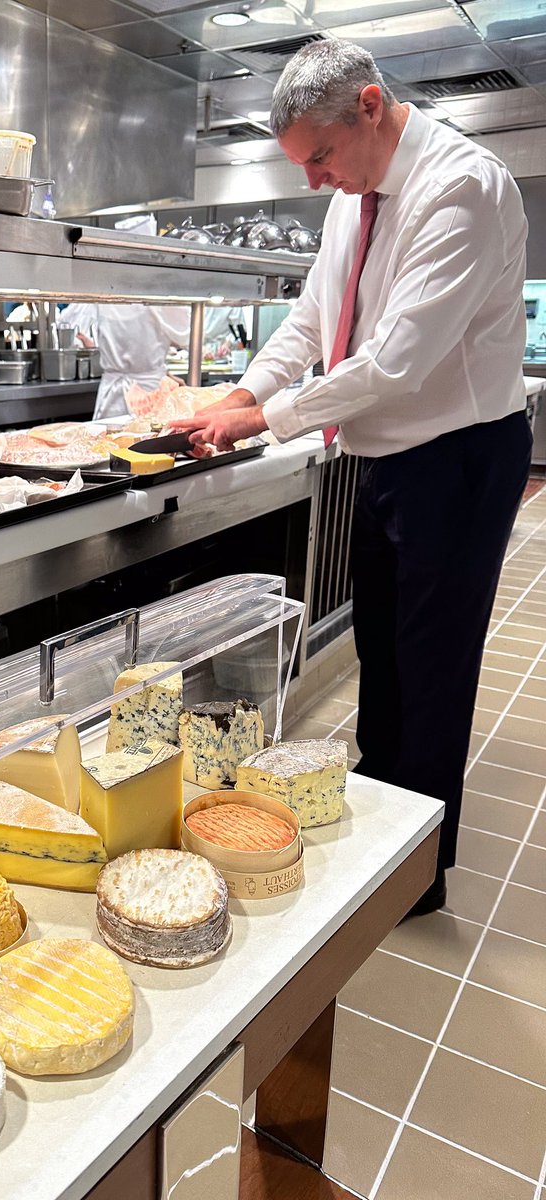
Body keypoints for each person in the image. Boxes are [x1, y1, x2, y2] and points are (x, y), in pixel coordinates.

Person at [172, 40, 532, 917]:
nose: (315, 181)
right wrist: (240, 392)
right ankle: (385, 815)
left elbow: (398, 360)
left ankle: (418, 874)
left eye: (319, 158)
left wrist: (269, 419)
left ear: (370, 105)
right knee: (382, 648)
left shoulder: (463, 187)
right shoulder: (354, 193)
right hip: (381, 454)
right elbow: (312, 317)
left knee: (433, 665)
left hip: (458, 457)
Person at [60, 302, 190, 420]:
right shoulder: (159, 295)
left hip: (130, 392)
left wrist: (164, 374)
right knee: (142, 440)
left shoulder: (105, 294)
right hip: (144, 387)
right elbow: (185, 337)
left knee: (115, 440)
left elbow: (66, 323)